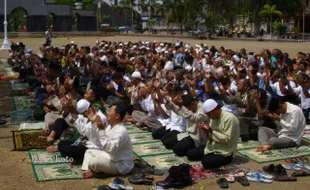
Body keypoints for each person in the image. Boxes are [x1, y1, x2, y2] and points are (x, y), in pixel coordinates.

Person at [81, 103, 134, 178]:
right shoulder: (110, 127)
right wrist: (93, 122)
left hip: (120, 164)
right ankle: (87, 171)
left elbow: (110, 149)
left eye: (110, 111)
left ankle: (93, 171)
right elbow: (99, 141)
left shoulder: (121, 131)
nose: (107, 113)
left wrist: (101, 130)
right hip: (110, 157)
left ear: (117, 116)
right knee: (89, 152)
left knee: (94, 161)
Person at [197, 99, 240, 169]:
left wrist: (211, 131)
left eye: (209, 114)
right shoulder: (213, 118)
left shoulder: (230, 118)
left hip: (226, 152)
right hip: (213, 147)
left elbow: (227, 140)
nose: (209, 116)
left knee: (206, 162)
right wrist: (206, 132)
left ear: (214, 110)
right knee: (191, 153)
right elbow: (210, 139)